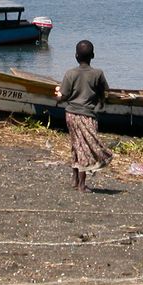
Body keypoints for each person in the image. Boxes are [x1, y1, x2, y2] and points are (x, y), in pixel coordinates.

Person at [55, 40, 112, 193]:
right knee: (84, 147)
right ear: (93, 55)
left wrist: (58, 95)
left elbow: (64, 96)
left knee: (76, 145)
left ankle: (75, 179)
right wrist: (100, 103)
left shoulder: (70, 73)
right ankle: (81, 184)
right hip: (87, 114)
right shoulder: (97, 74)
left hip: (71, 114)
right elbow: (104, 92)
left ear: (76, 56)